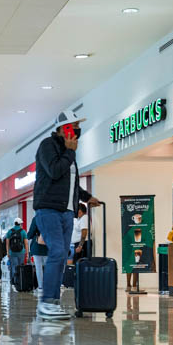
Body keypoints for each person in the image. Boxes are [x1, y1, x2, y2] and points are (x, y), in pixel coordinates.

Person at [32, 110, 100, 318]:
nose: (78, 130)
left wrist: (87, 197)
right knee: (58, 252)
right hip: (48, 209)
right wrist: (70, 152)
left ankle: (53, 302)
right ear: (64, 128)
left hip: (66, 212)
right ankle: (47, 302)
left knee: (62, 257)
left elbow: (71, 184)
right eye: (75, 126)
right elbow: (54, 171)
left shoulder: (70, 152)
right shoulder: (47, 146)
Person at [27, 214, 48, 294]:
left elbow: (31, 233)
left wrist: (29, 236)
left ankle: (41, 287)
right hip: (48, 246)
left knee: (39, 268)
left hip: (37, 246)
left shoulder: (37, 218)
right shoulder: (53, 217)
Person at [4, 217, 29, 285]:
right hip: (21, 252)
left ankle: (14, 282)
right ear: (20, 224)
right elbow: (26, 243)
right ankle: (19, 281)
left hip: (12, 252)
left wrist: (7, 252)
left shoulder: (10, 231)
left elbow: (7, 243)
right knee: (20, 266)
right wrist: (27, 253)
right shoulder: (23, 231)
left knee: (14, 266)